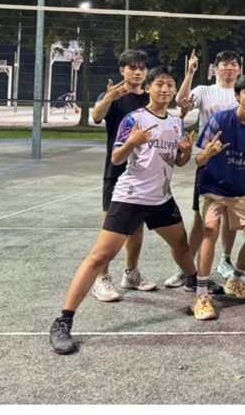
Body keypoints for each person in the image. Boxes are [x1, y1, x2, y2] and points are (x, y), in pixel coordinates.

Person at [49, 65, 199, 354]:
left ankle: (196, 284)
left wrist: (187, 153)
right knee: (100, 257)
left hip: (161, 199)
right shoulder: (134, 119)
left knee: (181, 244)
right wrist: (131, 142)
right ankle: (63, 321)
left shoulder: (177, 123)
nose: (165, 90)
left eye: (170, 85)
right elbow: (117, 159)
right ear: (150, 88)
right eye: (160, 85)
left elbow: (177, 162)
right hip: (130, 196)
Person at [166, 50, 245, 291]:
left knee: (236, 225)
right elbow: (182, 102)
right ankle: (188, 271)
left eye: (234, 64)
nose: (229, 68)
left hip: (240, 178)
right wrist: (189, 73)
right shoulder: (207, 94)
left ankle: (227, 265)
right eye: (225, 64)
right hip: (213, 168)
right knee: (204, 224)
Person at [193, 74, 245, 319]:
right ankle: (201, 293)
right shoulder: (220, 119)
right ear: (237, 95)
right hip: (213, 187)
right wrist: (207, 154)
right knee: (210, 229)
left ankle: (235, 279)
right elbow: (199, 159)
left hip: (242, 188)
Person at [90, 49, 154, 302]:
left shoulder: (149, 99)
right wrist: (108, 97)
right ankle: (101, 278)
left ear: (146, 72)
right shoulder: (113, 96)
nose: (137, 72)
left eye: (141, 68)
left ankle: (131, 274)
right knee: (110, 226)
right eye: (131, 67)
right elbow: (96, 117)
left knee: (136, 227)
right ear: (122, 71)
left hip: (142, 173)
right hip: (115, 170)